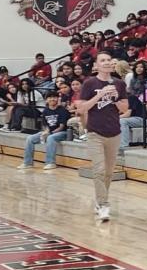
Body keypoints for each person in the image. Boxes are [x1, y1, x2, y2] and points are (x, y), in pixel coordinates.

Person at [77, 51, 129, 222]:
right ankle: (103, 204)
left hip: (114, 132)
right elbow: (81, 109)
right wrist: (99, 95)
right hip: (95, 132)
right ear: (96, 65)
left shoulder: (119, 84)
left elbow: (125, 108)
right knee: (98, 170)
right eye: (102, 60)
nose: (106, 62)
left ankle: (100, 200)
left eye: (108, 60)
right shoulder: (89, 83)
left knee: (108, 172)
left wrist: (114, 98)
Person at [17, 91, 69, 172]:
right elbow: (45, 125)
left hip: (63, 133)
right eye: (50, 97)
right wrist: (46, 132)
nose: (52, 99)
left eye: (54, 97)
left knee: (51, 138)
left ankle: (50, 162)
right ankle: (27, 163)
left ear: (58, 99)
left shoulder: (62, 110)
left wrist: (50, 133)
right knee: (30, 138)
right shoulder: (45, 111)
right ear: (46, 100)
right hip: (50, 132)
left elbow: (61, 127)